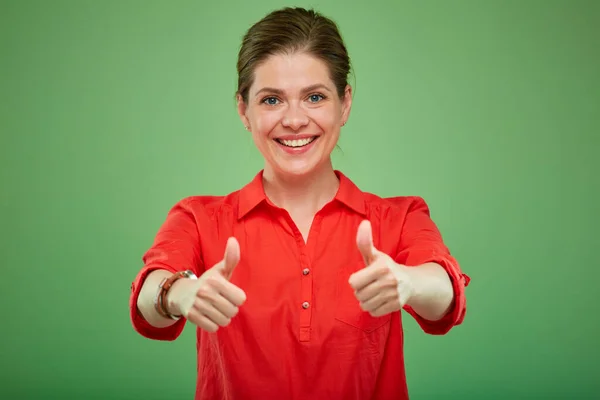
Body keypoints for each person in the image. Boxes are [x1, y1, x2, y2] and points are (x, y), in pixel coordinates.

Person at [129, 6, 471, 400]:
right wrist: (178, 292)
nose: (294, 120)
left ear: (344, 104)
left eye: (314, 97)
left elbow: (445, 293)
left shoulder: (400, 217)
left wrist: (408, 282)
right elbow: (147, 296)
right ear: (244, 110)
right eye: (272, 100)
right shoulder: (198, 218)